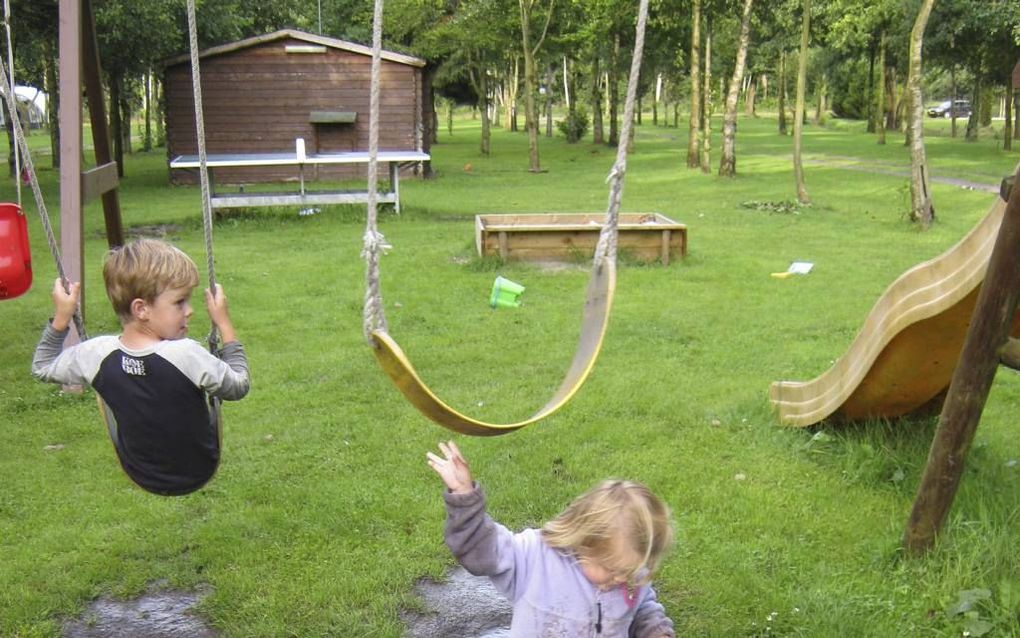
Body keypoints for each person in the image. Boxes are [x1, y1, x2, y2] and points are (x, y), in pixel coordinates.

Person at [32, 238, 250, 496]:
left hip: (141, 472)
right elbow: (238, 385)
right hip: (198, 467)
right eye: (180, 302)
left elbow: (42, 366)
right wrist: (224, 325)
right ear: (142, 309)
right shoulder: (186, 354)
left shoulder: (96, 354)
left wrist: (61, 319)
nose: (189, 311)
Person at [427, 440, 676, 637]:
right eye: (611, 569)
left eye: (630, 570)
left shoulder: (630, 570)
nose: (622, 579)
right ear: (584, 541)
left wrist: (656, 631)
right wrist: (464, 496)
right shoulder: (535, 558)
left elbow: (643, 607)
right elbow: (481, 551)